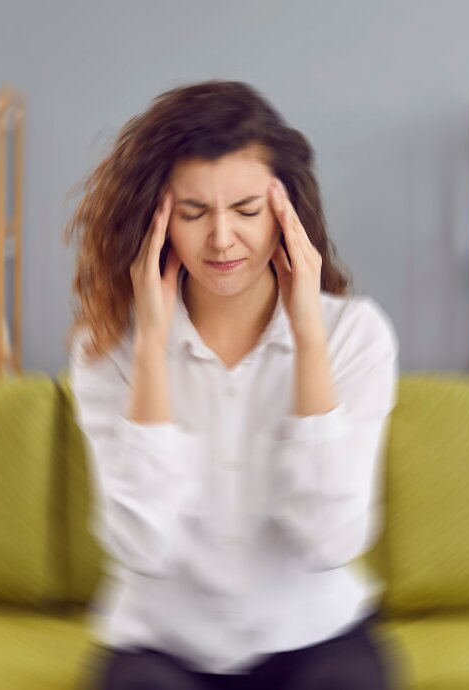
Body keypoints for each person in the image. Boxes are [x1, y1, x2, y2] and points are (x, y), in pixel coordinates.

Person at [66, 80, 400, 690]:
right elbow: (144, 544)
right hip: (160, 647)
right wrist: (150, 348)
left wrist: (307, 332)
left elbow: (330, 540)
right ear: (157, 222)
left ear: (285, 214)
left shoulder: (358, 335)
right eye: (193, 213)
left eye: (247, 211)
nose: (222, 240)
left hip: (316, 638)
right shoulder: (106, 348)